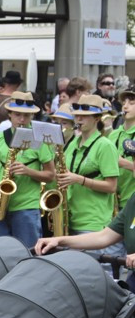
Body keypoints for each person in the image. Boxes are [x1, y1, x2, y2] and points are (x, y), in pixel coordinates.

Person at [0, 91, 55, 248]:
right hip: (0, 204)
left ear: (32, 117)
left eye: (26, 116)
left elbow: (50, 175)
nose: (22, 120)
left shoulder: (39, 139)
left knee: (29, 253)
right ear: (9, 114)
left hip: (27, 206)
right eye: (17, 115)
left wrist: (28, 171)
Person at [62, 95, 121, 258]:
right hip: (70, 218)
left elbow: (111, 187)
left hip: (93, 222)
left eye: (84, 116)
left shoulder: (105, 145)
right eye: (77, 115)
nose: (78, 119)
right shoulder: (73, 142)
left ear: (97, 118)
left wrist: (79, 179)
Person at [112, 89, 135, 206]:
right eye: (123, 103)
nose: (125, 107)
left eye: (131, 103)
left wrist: (121, 162)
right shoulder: (113, 134)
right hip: (113, 201)